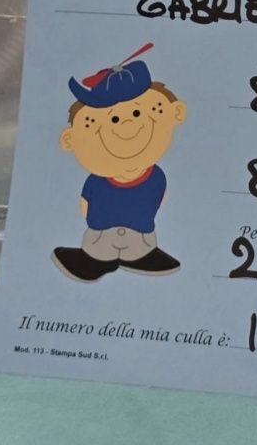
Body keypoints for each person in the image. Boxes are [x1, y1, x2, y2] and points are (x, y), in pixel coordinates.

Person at [54, 42, 187, 282]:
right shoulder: (98, 182)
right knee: (97, 253)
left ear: (176, 112)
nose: (126, 124)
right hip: (100, 236)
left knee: (139, 250)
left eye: (137, 113)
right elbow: (86, 205)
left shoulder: (156, 176)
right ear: (69, 140)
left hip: (142, 237)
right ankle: (94, 261)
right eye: (113, 119)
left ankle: (140, 256)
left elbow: (158, 198)